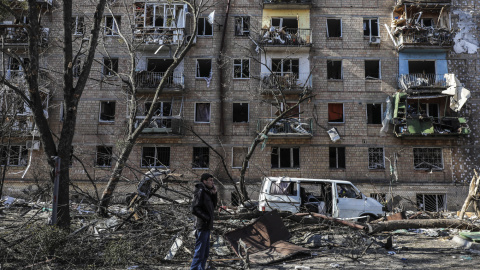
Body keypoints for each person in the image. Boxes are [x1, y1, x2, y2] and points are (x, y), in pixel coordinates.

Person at [190, 173, 218, 270]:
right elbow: (194, 209)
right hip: (202, 226)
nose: (212, 182)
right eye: (210, 180)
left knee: (205, 253)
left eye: (212, 180)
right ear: (204, 181)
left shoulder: (207, 192)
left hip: (207, 226)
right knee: (199, 254)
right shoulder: (200, 191)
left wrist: (214, 195)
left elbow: (213, 207)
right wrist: (207, 218)